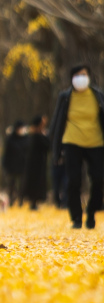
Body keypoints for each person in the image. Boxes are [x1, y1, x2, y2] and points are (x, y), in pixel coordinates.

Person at [48, 64, 104, 230]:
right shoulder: (65, 96)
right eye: (78, 75)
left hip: (96, 142)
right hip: (72, 141)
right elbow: (57, 122)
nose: (81, 78)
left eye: (84, 74)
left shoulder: (97, 95)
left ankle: (92, 211)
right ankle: (77, 218)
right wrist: (56, 149)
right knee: (73, 180)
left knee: (99, 179)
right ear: (72, 79)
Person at [23, 115, 50, 210]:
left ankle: (32, 201)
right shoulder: (38, 136)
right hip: (37, 163)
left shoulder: (30, 135)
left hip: (32, 163)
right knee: (36, 183)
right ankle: (33, 202)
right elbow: (48, 145)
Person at [2, 120, 28, 206]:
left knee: (22, 185)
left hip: (23, 165)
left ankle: (21, 200)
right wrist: (5, 165)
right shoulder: (10, 139)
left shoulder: (27, 139)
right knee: (11, 184)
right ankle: (11, 200)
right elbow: (6, 153)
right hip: (12, 165)